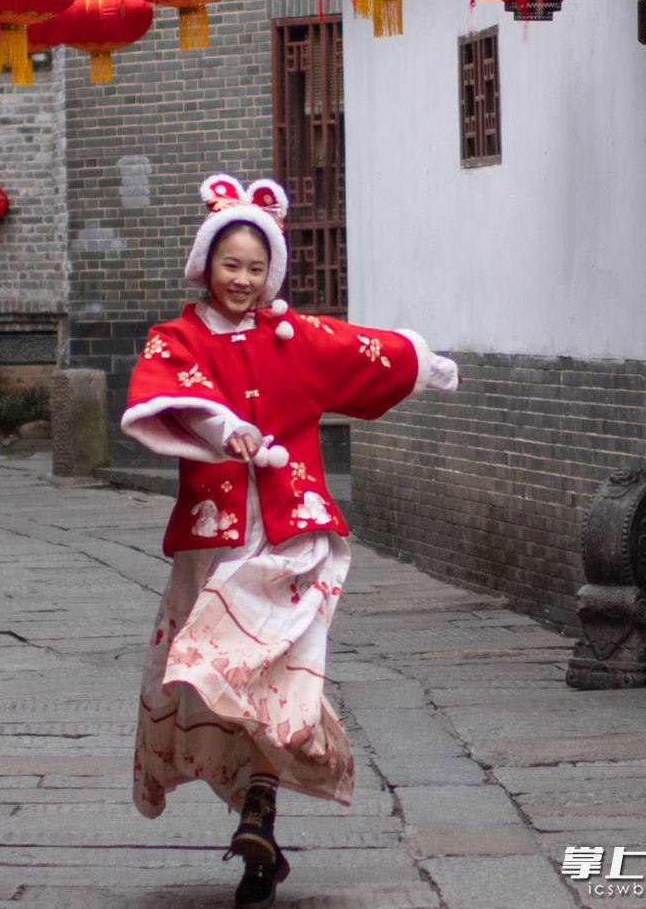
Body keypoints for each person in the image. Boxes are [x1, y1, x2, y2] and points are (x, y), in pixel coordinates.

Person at [122, 174, 459, 909]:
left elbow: (363, 349)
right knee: (220, 686)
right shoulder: (177, 338)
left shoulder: (293, 336)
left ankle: (260, 812)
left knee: (274, 683)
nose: (241, 279)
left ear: (270, 270)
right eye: (229, 263)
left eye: (254, 266)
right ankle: (258, 821)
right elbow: (167, 389)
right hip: (216, 545)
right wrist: (221, 428)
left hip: (291, 539)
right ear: (204, 262)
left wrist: (426, 365)